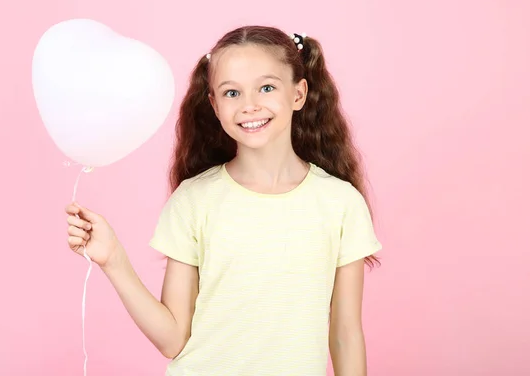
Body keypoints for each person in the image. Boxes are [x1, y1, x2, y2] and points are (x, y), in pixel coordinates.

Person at [65, 25, 382, 376]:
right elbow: (172, 340)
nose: (249, 105)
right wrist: (113, 260)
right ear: (215, 105)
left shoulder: (341, 203)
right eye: (232, 92)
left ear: (298, 93)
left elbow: (345, 335)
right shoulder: (194, 200)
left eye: (266, 87)